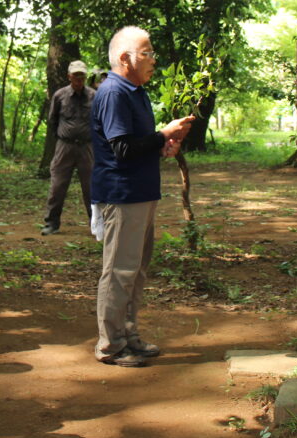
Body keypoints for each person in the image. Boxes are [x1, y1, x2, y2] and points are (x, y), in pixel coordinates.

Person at [91, 27, 193, 367]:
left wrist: (162, 145)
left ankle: (129, 334)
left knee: (136, 270)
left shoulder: (135, 91)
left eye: (151, 52)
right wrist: (163, 133)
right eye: (146, 53)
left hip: (141, 192)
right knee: (119, 271)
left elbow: (135, 144)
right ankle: (111, 345)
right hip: (122, 195)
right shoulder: (113, 92)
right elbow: (120, 149)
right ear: (125, 59)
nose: (153, 59)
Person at [41, 60, 95, 236]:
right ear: (69, 77)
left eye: (82, 76)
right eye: (76, 76)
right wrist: (65, 136)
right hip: (64, 147)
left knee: (92, 188)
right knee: (57, 186)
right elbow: (52, 120)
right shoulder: (60, 95)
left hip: (87, 148)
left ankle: (96, 224)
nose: (79, 79)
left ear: (85, 77)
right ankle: (51, 223)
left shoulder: (94, 96)